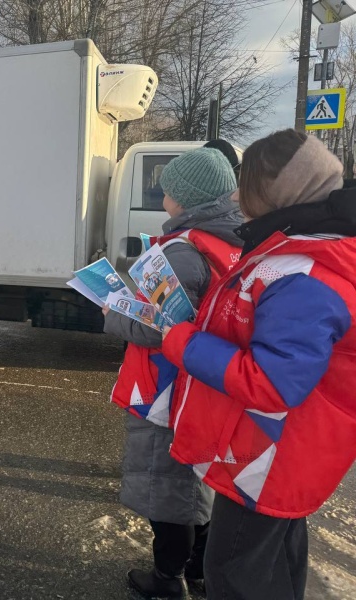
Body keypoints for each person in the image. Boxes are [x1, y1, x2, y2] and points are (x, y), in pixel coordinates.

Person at [162, 130, 356, 600]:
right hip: (281, 447)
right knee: (274, 561)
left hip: (274, 453)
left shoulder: (308, 271)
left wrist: (182, 341)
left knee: (232, 571)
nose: (236, 194)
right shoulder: (301, 245)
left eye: (246, 183)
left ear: (271, 192)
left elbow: (271, 381)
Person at [104, 147, 243, 598]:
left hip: (167, 385)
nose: (163, 197)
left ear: (185, 199)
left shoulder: (185, 253)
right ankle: (200, 567)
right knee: (195, 476)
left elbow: (154, 328)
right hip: (202, 380)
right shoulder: (232, 241)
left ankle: (168, 578)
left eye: (168, 191)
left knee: (168, 482)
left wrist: (112, 310)